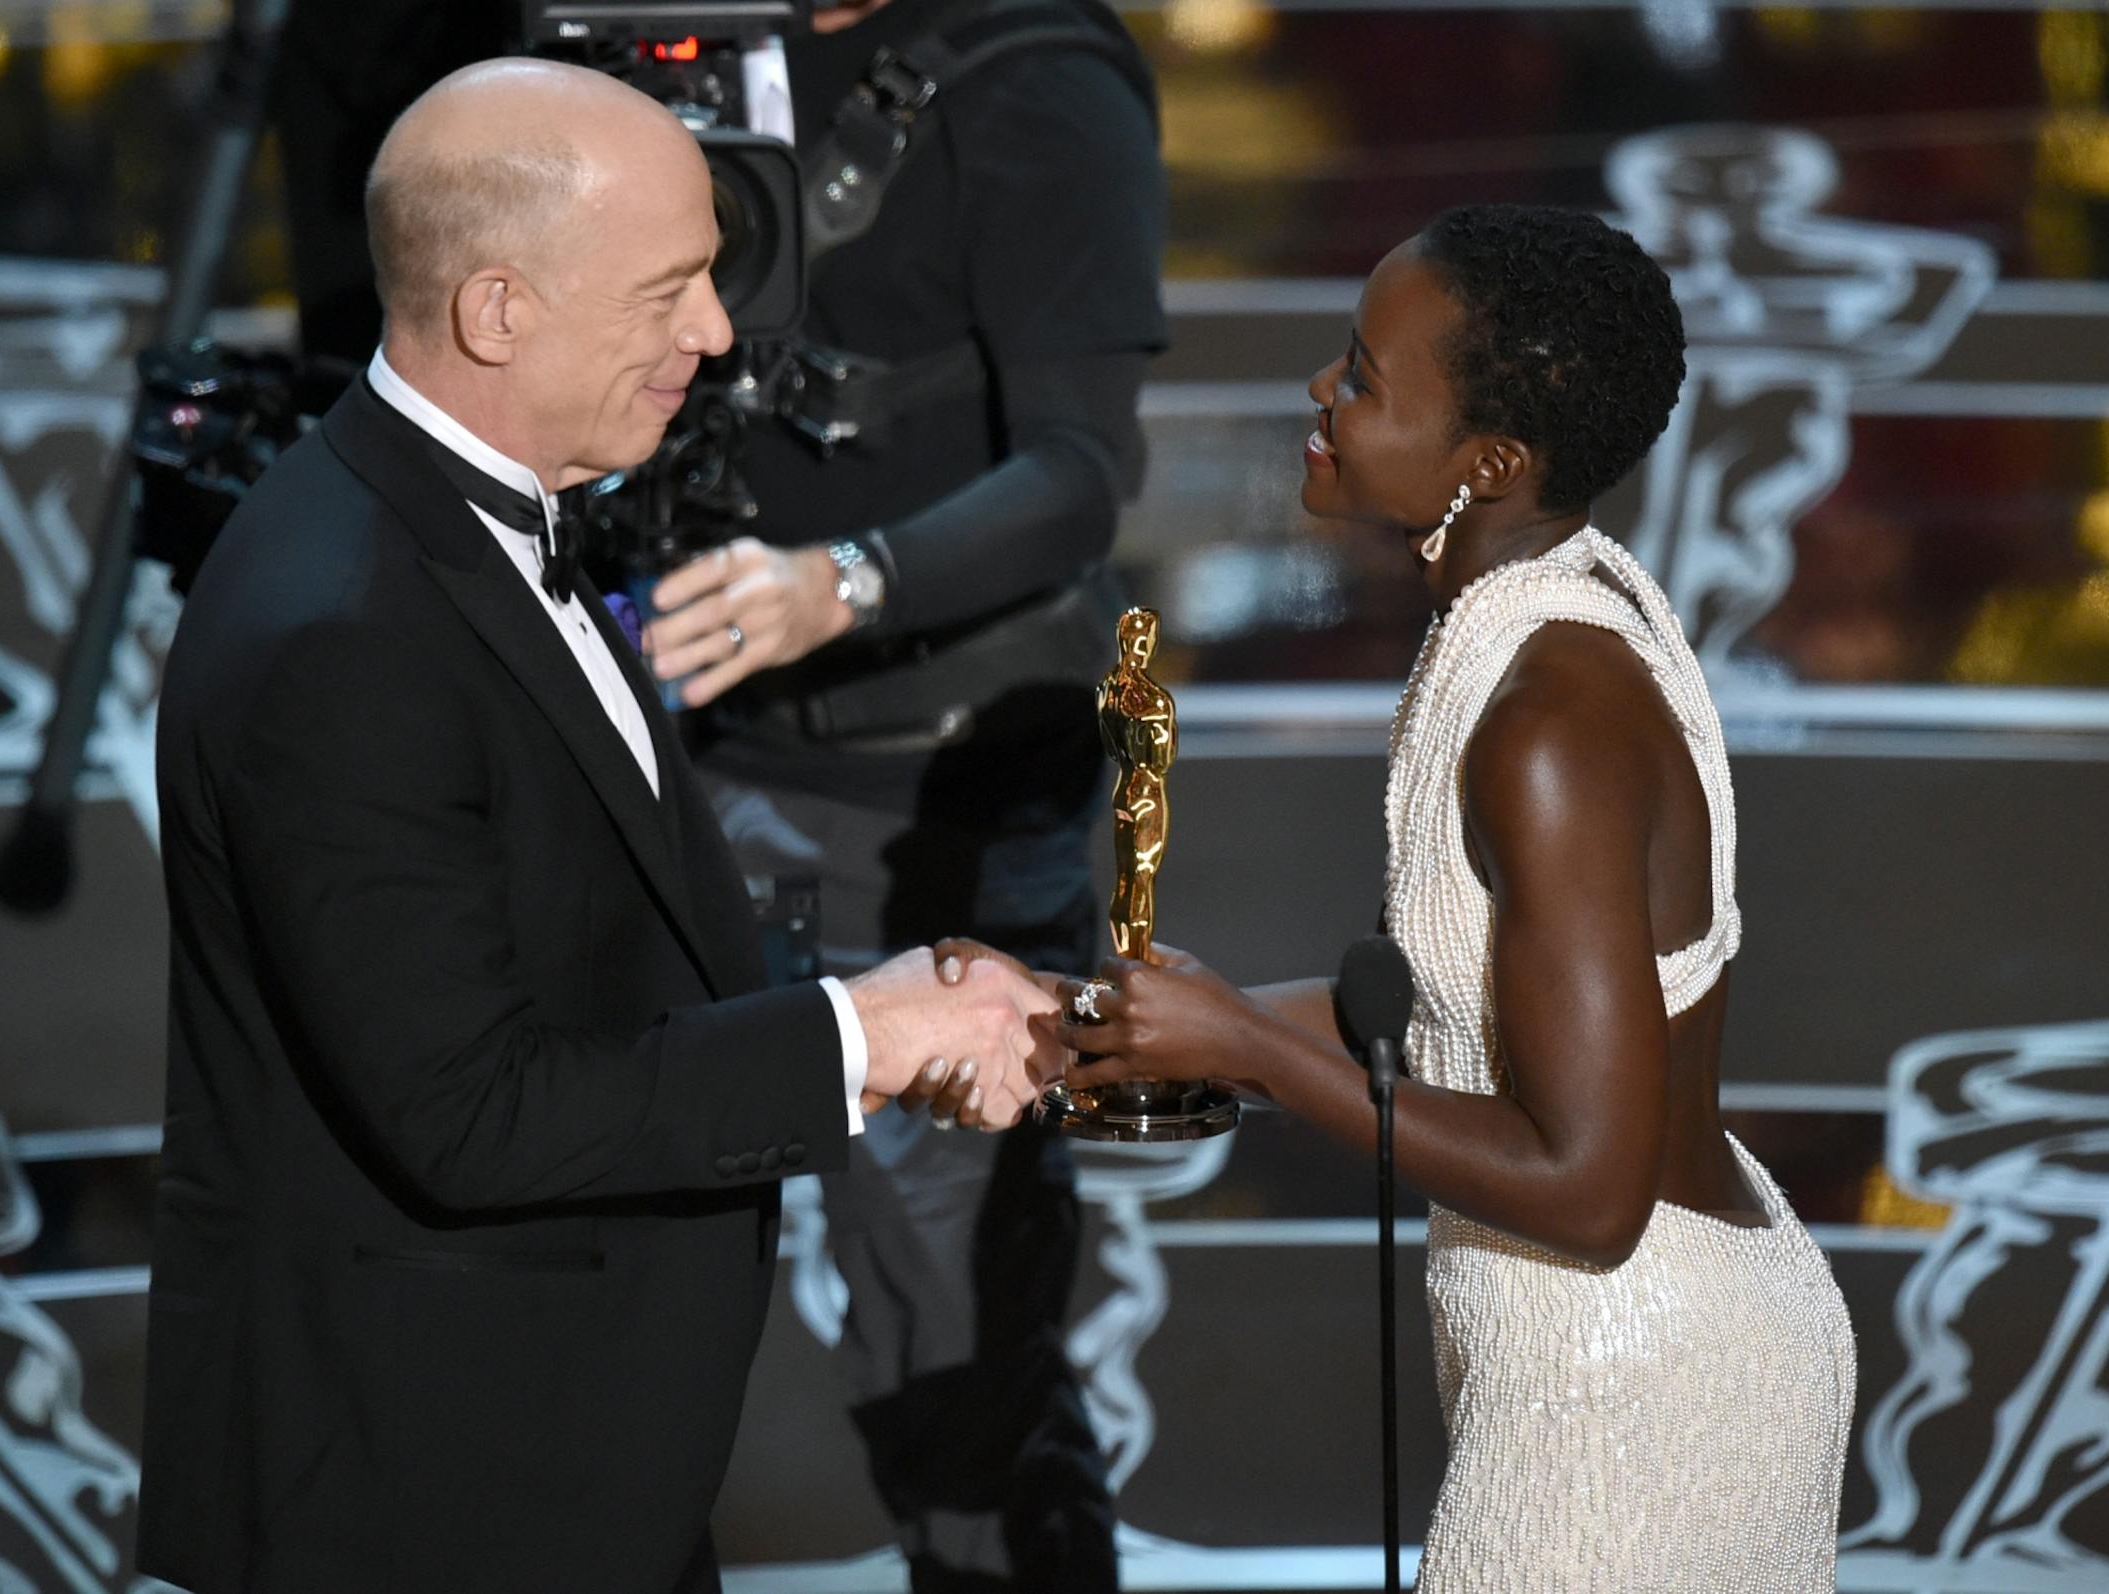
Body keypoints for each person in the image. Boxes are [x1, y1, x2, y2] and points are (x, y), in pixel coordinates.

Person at [137, 60, 1057, 1594]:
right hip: (427, 1509)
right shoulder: (347, 627)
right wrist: (859, 1039)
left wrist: (889, 1012)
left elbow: (578, 942)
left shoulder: (459, 531)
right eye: (673, 288)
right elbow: (467, 1106)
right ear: (498, 311)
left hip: (552, 1474)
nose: (716, 331)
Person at [997, 205, 1857, 1589]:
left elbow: (1587, 1190)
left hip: (1634, 1397)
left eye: (1363, 377)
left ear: (1492, 460)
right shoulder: (1543, 608)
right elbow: (1467, 1025)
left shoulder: (1547, 716)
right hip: (1640, 1342)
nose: (1321, 396)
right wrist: (1175, 1019)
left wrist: (1242, 1048)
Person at [636, 1, 1165, 1585]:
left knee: (951, 1340)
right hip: (673, 760)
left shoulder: (1037, 80)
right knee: (603, 1307)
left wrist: (845, 582)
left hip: (926, 795)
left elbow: (1084, 473)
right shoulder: (667, 40)